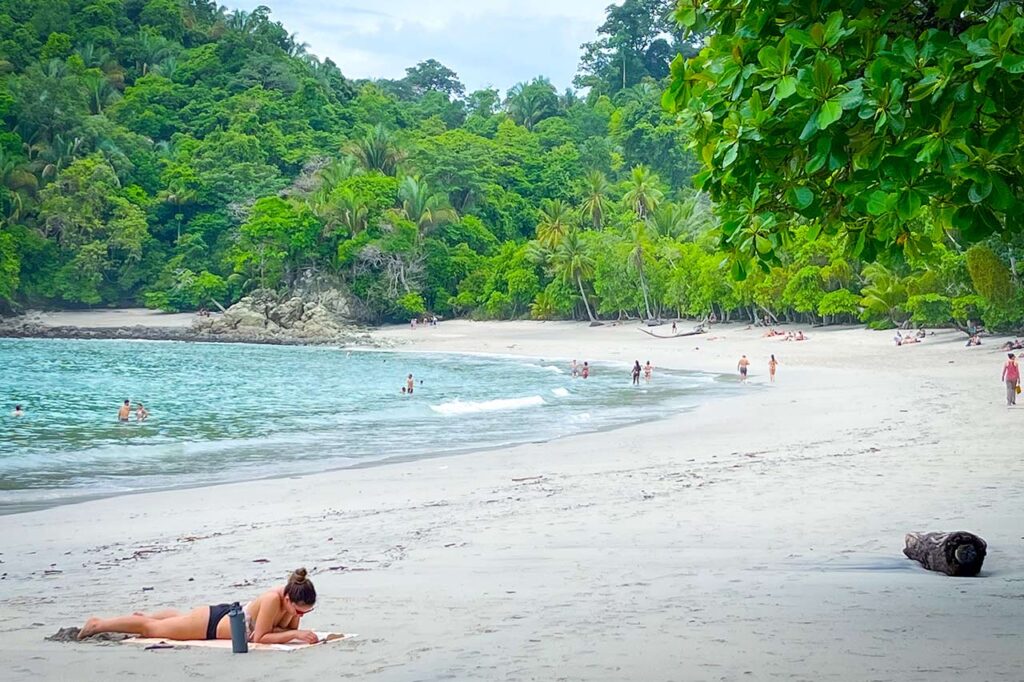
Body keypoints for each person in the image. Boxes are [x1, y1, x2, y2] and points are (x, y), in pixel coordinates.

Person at [78, 568, 318, 644]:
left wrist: (292, 627)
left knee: (176, 620)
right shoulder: (272, 599)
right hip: (210, 625)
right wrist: (294, 634)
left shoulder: (291, 603)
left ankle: (150, 616)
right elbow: (261, 637)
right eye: (299, 611)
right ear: (288, 599)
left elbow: (279, 631)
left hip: (222, 617)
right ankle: (97, 624)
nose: (300, 615)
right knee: (149, 629)